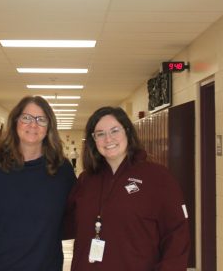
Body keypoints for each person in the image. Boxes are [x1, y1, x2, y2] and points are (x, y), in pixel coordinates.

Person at [65, 106, 190, 270]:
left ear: (128, 132)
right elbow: (68, 224)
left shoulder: (157, 178)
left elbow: (177, 234)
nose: (108, 139)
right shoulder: (86, 181)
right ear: (93, 141)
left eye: (115, 130)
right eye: (100, 134)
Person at [0, 95, 76, 271]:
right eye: (26, 118)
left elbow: (76, 215)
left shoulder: (61, 170)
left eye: (41, 119)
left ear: (49, 127)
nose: (33, 124)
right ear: (15, 122)